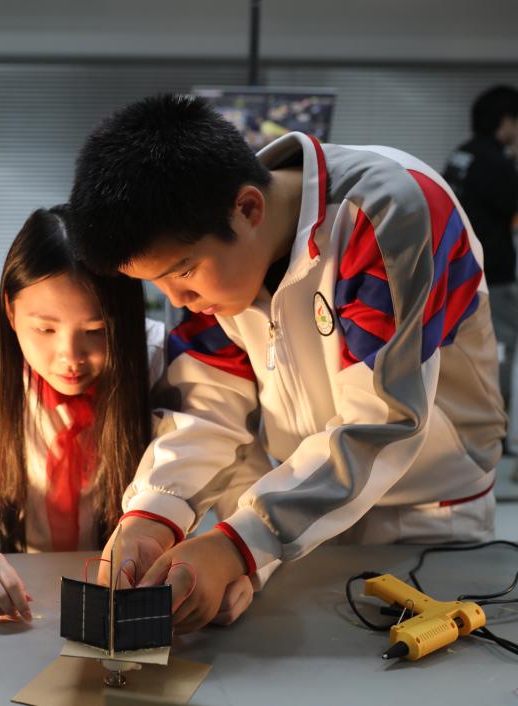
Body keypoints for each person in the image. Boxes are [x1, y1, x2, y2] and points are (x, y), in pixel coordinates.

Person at [67, 94, 506, 633]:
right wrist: (155, 512)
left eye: (181, 272)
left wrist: (241, 545)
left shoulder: (386, 214)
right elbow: (208, 405)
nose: (176, 299)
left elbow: (382, 422)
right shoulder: (212, 247)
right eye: (157, 283)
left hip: (424, 512)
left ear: (248, 210)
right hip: (297, 502)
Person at [0, 206, 167, 621]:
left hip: (136, 595)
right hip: (27, 592)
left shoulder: (158, 358)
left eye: (96, 331)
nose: (70, 356)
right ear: (11, 312)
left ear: (126, 318)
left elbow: (214, 486)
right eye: (46, 329)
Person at [443, 85, 518, 449]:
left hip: (458, 270)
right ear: (505, 121)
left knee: (465, 352)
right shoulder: (494, 162)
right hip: (491, 275)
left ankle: (467, 428)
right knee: (498, 351)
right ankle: (493, 433)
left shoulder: (462, 155)